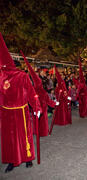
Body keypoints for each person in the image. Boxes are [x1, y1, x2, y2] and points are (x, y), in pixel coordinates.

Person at [0, 33, 41, 172]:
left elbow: (31, 93)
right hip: (6, 112)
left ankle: (27, 158)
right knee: (9, 139)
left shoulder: (22, 76)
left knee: (24, 136)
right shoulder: (1, 77)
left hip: (21, 111)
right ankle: (12, 160)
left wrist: (36, 107)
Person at [21, 51, 58, 137]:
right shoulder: (42, 91)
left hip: (35, 109)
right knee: (43, 121)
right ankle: (43, 132)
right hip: (43, 109)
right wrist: (55, 103)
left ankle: (35, 132)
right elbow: (48, 100)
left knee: (35, 120)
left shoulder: (33, 89)